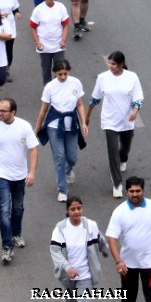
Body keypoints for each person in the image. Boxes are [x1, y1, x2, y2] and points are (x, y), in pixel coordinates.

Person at [0, 97, 37, 264]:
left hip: (20, 175)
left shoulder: (24, 126)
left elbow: (33, 150)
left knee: (18, 207)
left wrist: (32, 172)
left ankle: (16, 234)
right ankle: (7, 246)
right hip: (1, 176)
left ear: (13, 112)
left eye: (3, 111)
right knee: (4, 210)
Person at [86, 51, 144, 197]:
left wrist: (135, 111)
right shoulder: (102, 78)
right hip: (109, 120)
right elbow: (95, 98)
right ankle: (117, 184)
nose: (110, 66)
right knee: (112, 152)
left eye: (113, 64)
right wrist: (87, 116)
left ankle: (123, 158)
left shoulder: (132, 77)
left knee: (125, 146)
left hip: (126, 120)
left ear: (121, 64)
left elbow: (138, 97)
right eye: (109, 63)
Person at [50, 196, 106, 302]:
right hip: (68, 275)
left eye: (79, 208)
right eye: (72, 209)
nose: (76, 212)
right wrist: (67, 267)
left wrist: (104, 249)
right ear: (67, 211)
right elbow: (55, 250)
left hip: (86, 274)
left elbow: (99, 238)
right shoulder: (60, 229)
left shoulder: (90, 225)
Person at [35, 59, 88, 201]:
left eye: (65, 73)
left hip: (72, 124)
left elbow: (80, 105)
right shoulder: (50, 87)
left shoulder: (76, 83)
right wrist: (37, 129)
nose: (63, 77)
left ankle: (67, 171)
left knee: (72, 157)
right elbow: (43, 110)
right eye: (60, 74)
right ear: (55, 73)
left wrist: (83, 123)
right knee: (59, 157)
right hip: (55, 125)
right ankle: (62, 189)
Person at [29, 0, 71, 84]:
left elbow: (66, 25)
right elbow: (33, 27)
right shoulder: (38, 10)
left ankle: (59, 88)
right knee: (46, 69)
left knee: (60, 68)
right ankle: (47, 90)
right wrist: (37, 43)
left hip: (58, 45)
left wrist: (63, 40)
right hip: (44, 46)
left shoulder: (61, 7)